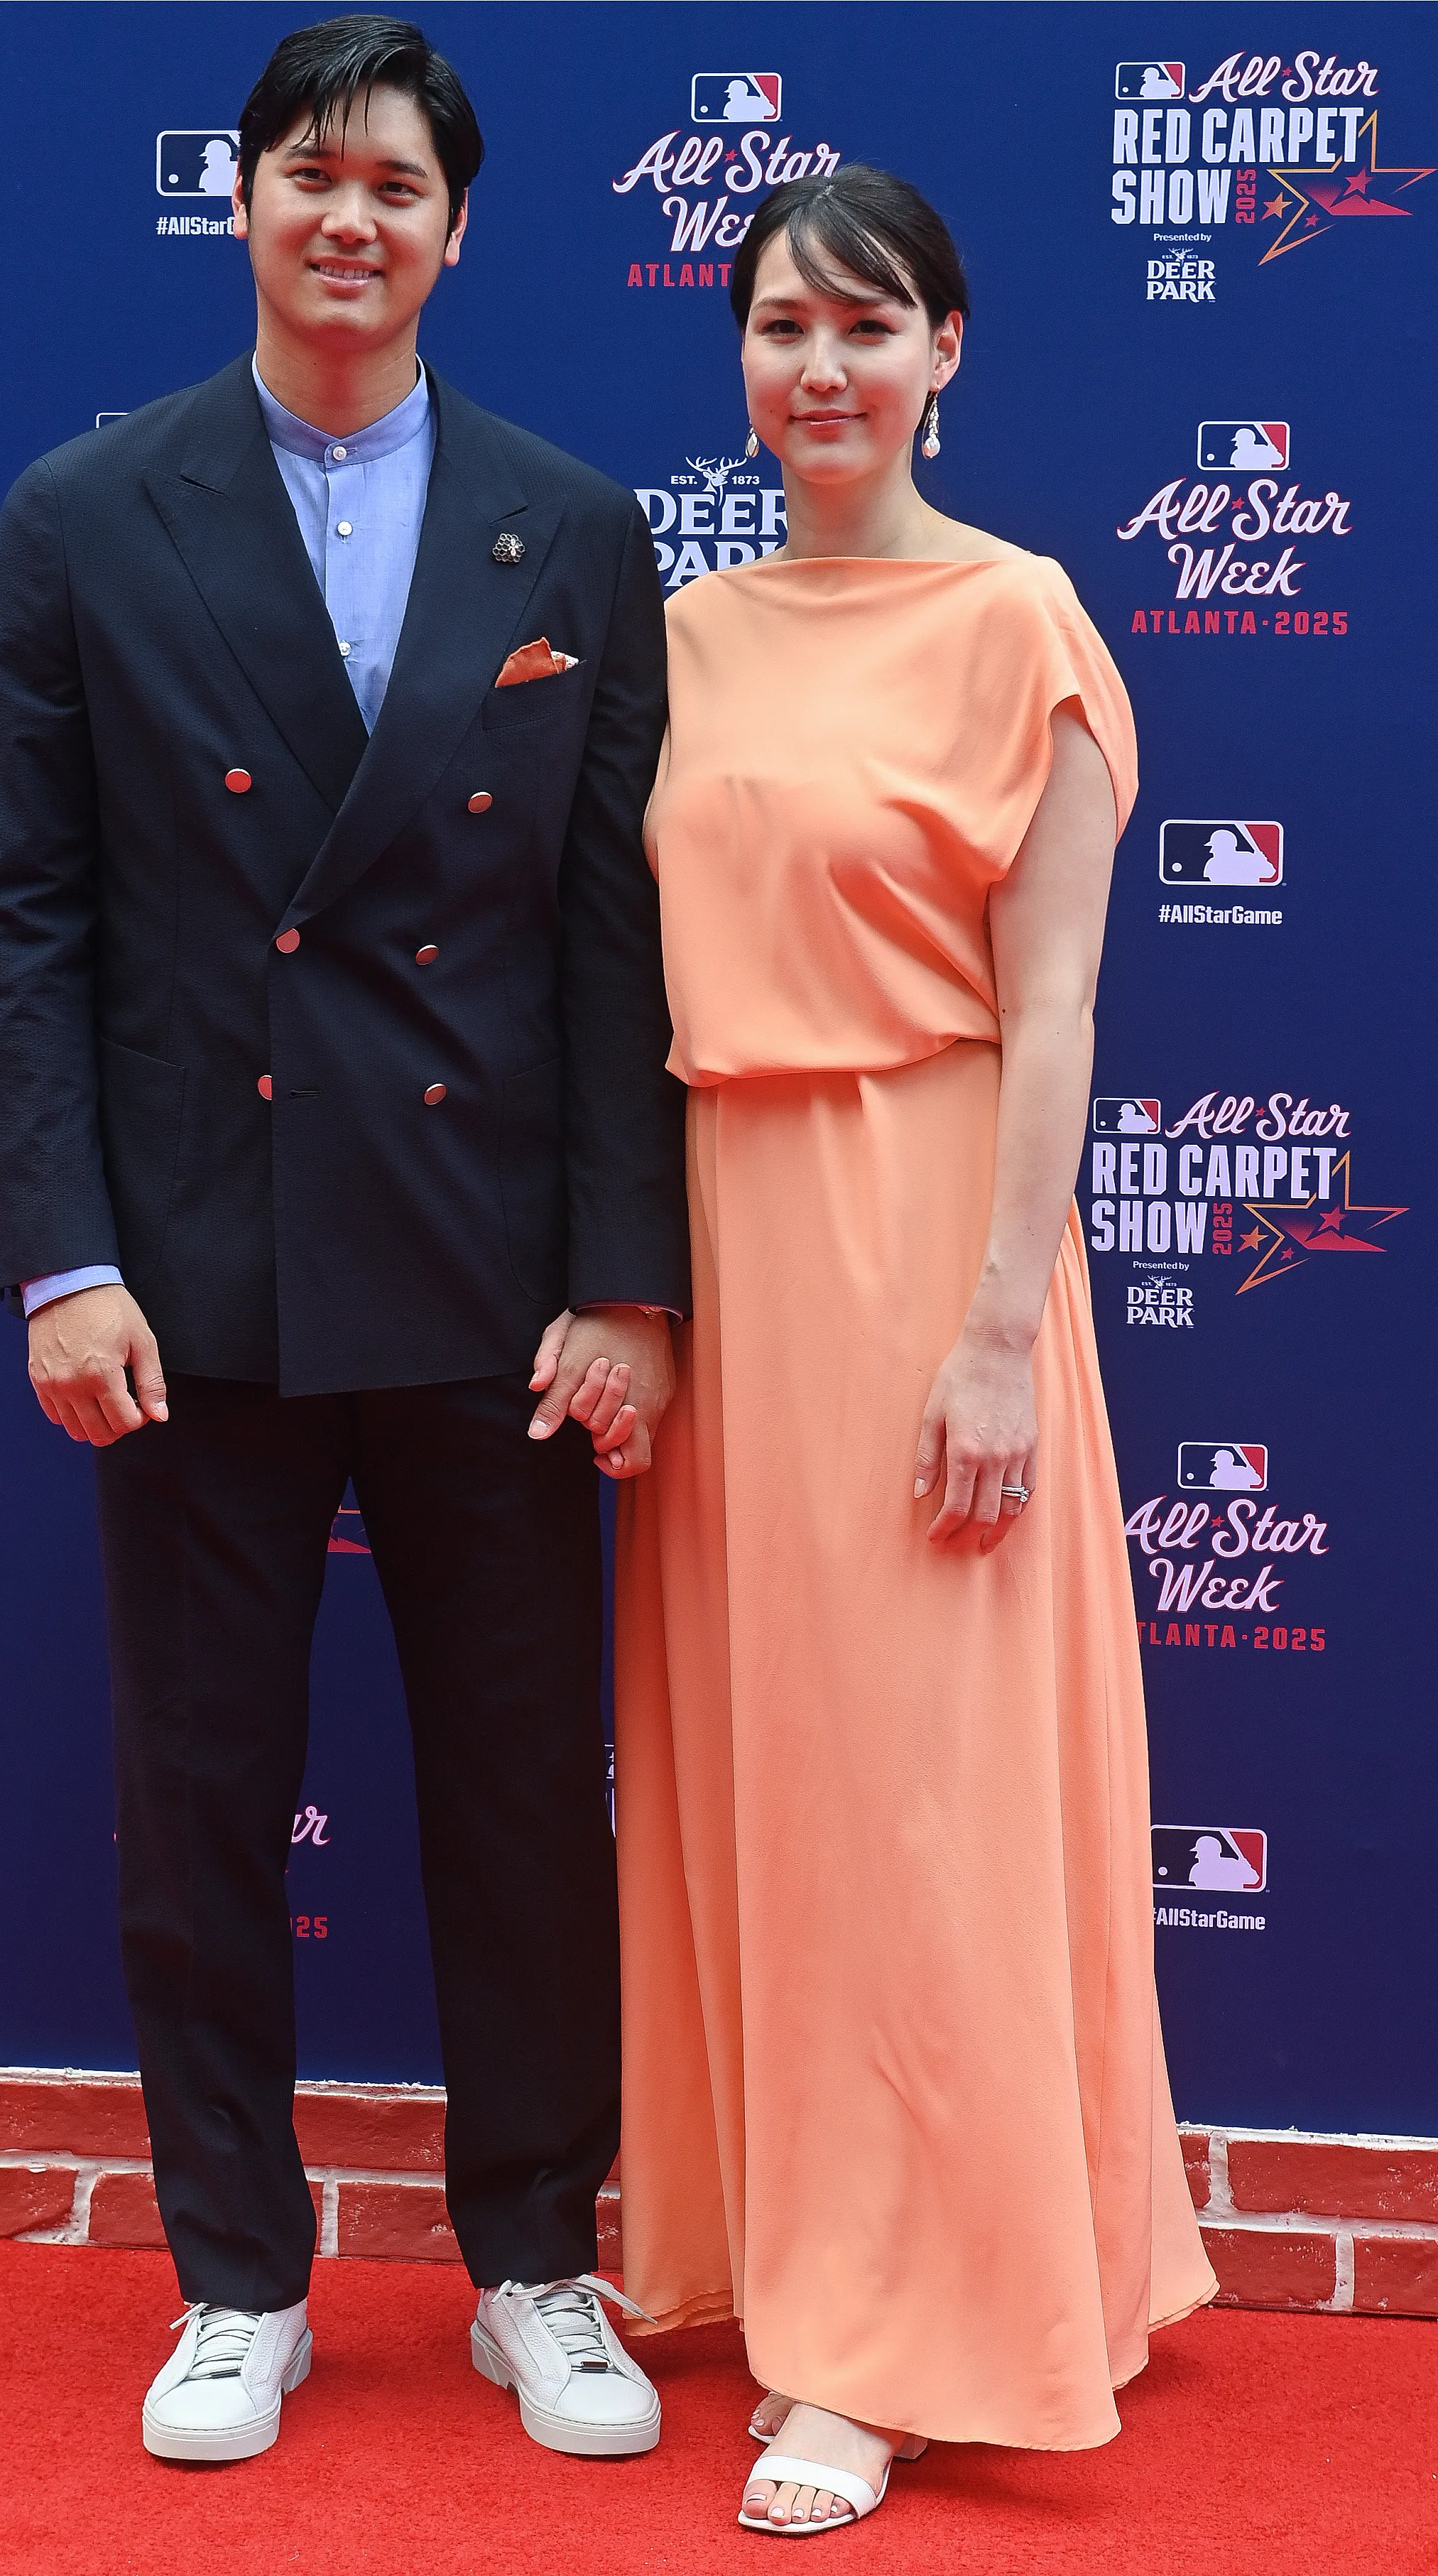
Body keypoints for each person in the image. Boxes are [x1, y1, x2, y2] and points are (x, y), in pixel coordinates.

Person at [0, 13, 686, 2468]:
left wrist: (626, 1278)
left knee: (513, 1792)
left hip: (494, 1271)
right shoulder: (87, 512)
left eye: (395, 181)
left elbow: (607, 945)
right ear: (240, 204)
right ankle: (239, 2274)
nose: (347, 216)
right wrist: (64, 1254)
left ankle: (535, 2261)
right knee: (196, 1795)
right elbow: (21, 919)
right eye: (306, 173)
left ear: (457, 227)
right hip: (202, 1257)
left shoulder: (574, 527)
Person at [612, 165, 1217, 2536]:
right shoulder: (690, 634)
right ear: (740, 359)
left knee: (920, 1806)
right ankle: (850, 2249)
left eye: (867, 323)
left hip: (930, 1253)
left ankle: (889, 2338)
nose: (822, 367)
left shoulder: (1027, 622)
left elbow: (1057, 1005)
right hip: (731, 1251)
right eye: (781, 326)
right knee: (772, 1782)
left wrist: (993, 1333)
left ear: (946, 349)